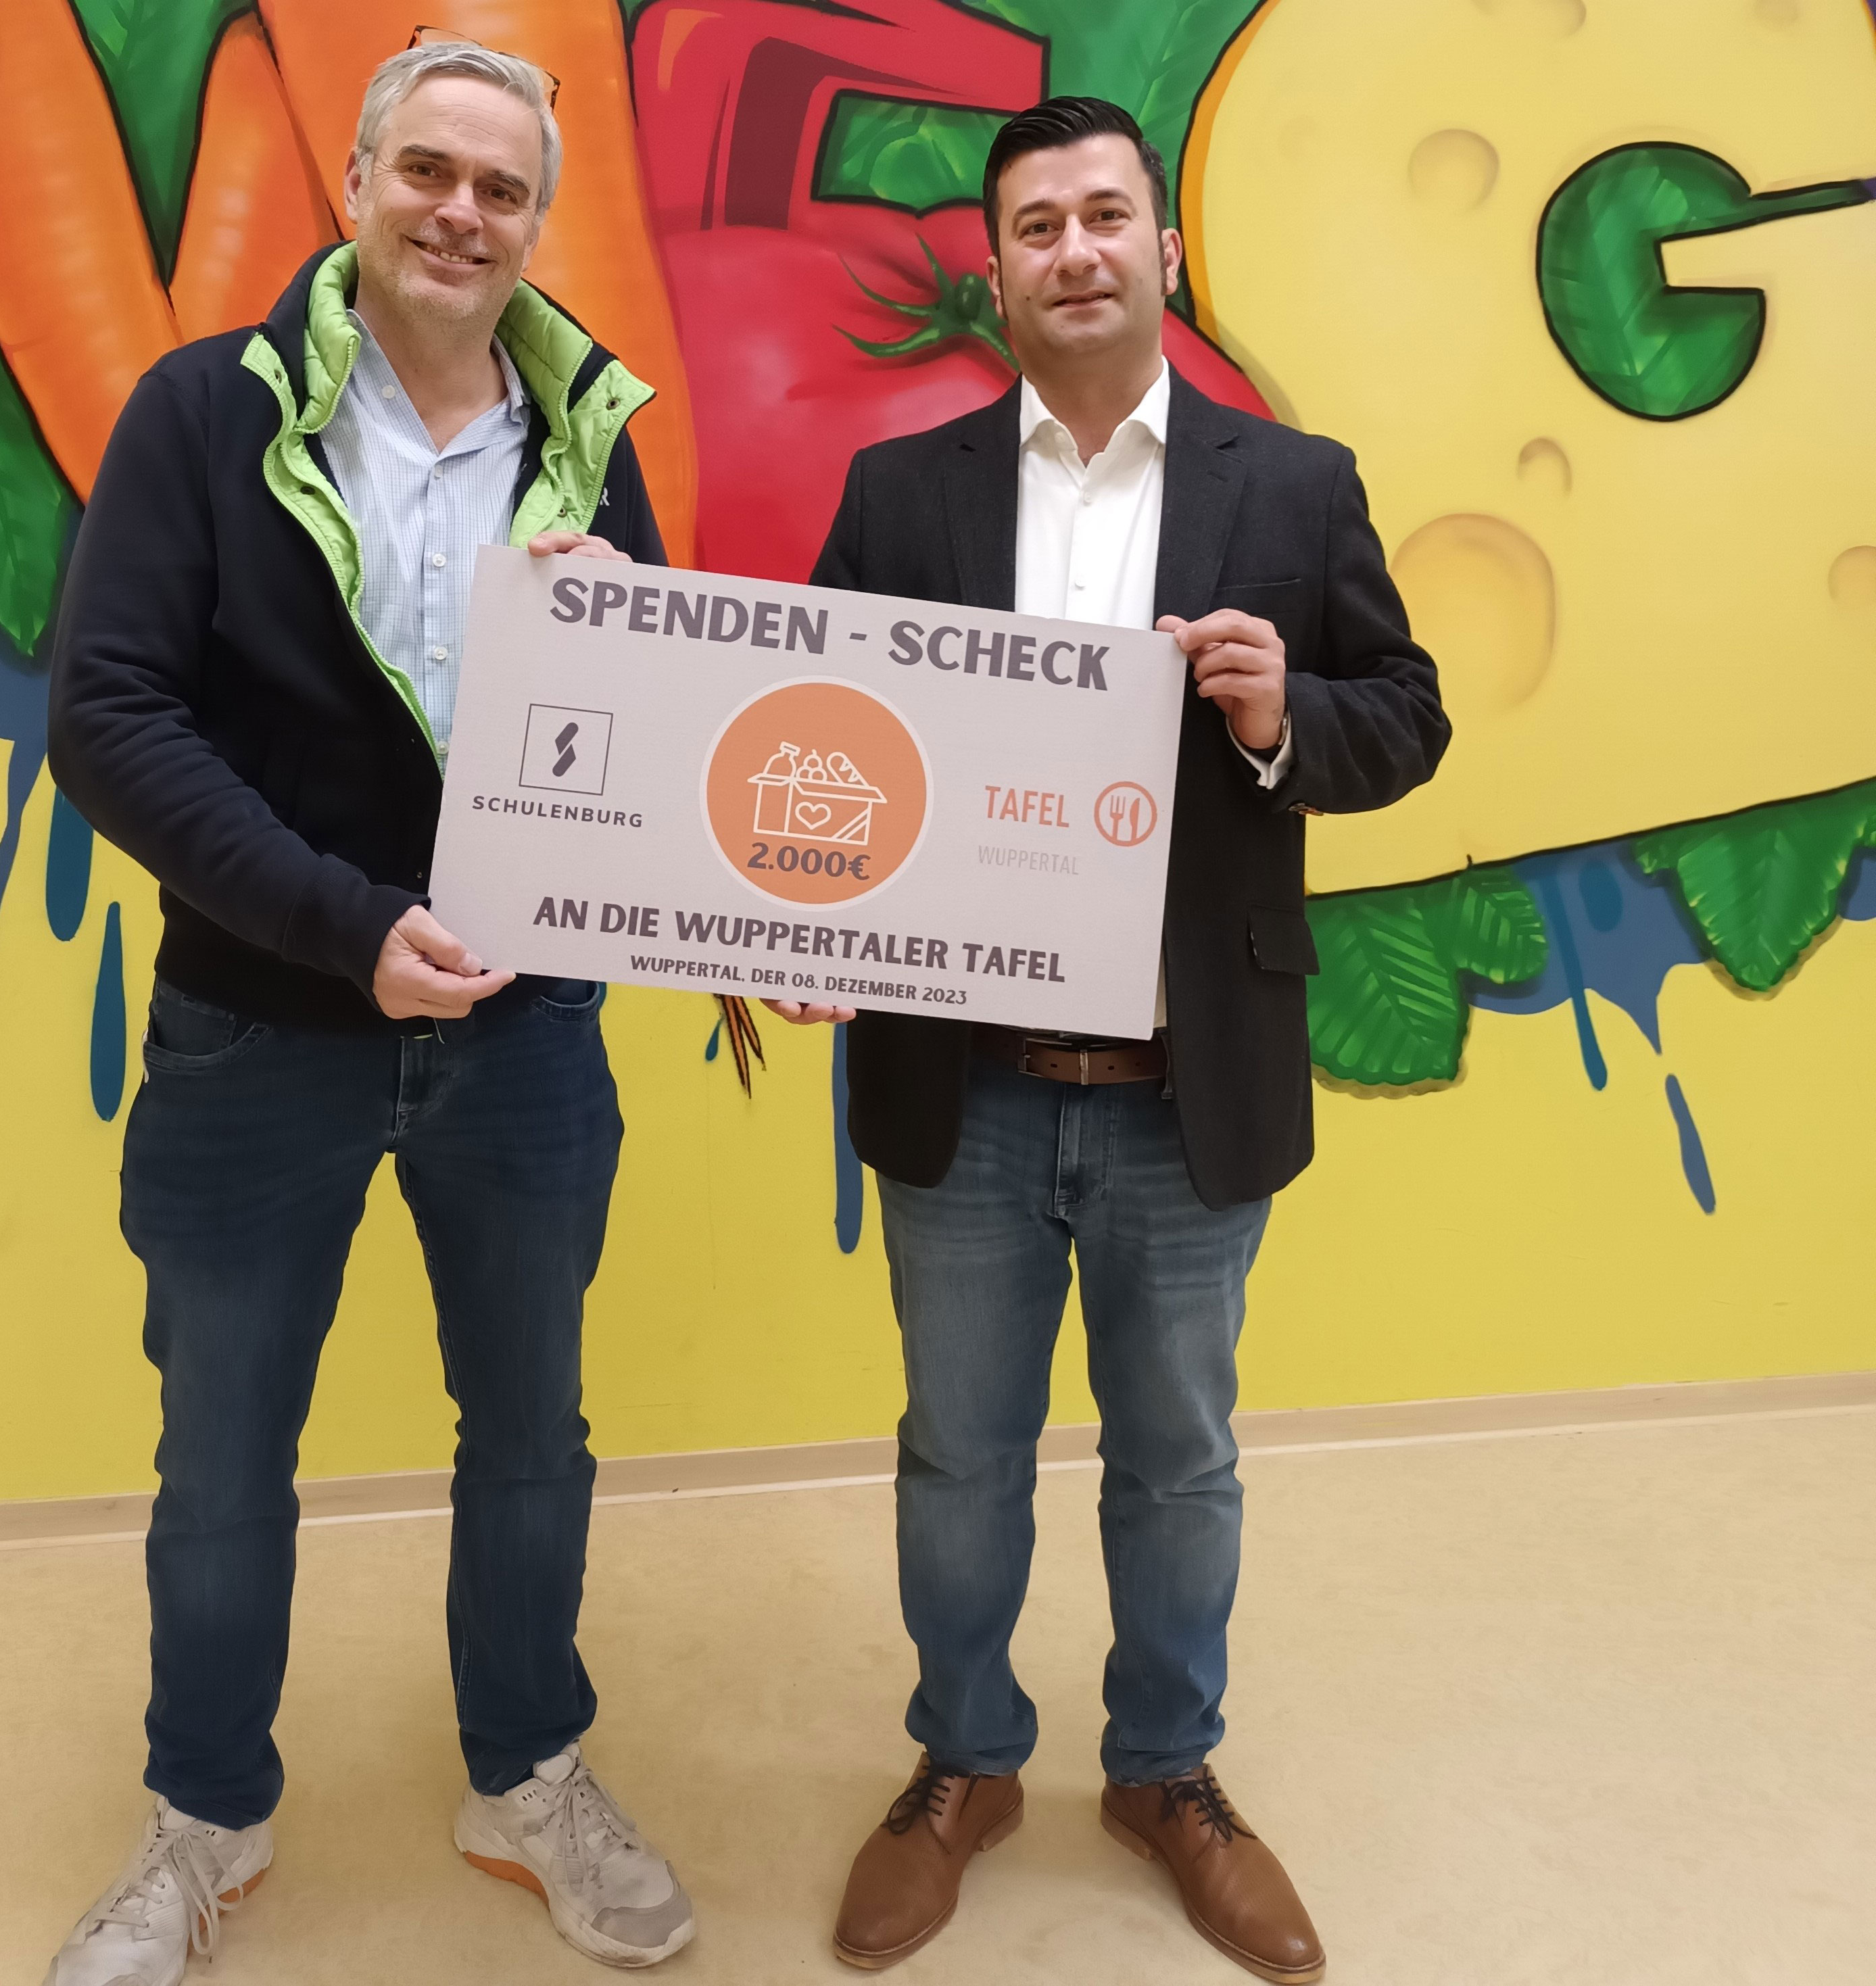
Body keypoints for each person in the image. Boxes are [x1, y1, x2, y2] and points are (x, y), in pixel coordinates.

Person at [769, 97, 1449, 1981]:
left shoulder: (1294, 487)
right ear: (996, 273)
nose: (1073, 250)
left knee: (1179, 1457)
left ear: (1164, 251)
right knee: (958, 1453)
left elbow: (1409, 717)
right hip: (963, 1086)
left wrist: (1275, 714)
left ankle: (1168, 1771)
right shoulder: (902, 497)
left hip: (1186, 1087)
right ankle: (964, 1764)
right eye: (1037, 227)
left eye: (1103, 218)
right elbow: (803, 748)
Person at [43, 39, 694, 1981]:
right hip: (259, 1034)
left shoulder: (585, 438)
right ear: (356, 180)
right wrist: (345, 926)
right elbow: (113, 723)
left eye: (502, 189)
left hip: (524, 1043)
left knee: (532, 1436)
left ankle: (526, 1775)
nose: (461, 213)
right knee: (224, 1456)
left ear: (533, 223)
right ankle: (204, 1822)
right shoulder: (200, 416)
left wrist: (615, 645)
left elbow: (647, 759)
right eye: (429, 170)